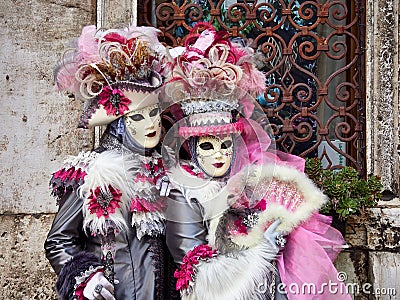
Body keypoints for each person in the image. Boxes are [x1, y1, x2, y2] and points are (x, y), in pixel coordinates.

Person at [162, 23, 351, 300]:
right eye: (206, 145)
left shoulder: (247, 182)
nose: (218, 155)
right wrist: (261, 251)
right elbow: (198, 275)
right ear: (191, 147)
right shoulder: (184, 193)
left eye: (226, 145)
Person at [44, 24, 178, 300]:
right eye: (137, 117)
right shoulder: (93, 171)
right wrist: (86, 278)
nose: (151, 124)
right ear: (118, 124)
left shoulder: (166, 172)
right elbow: (59, 240)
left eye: (153, 113)